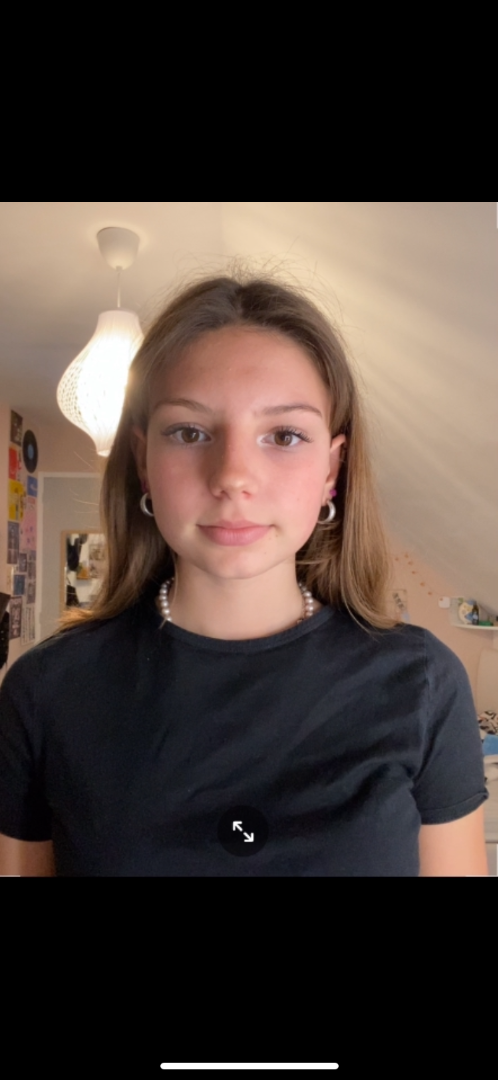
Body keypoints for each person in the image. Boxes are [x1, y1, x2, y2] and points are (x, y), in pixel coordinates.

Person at [0, 272, 489, 876]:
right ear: (143, 462)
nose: (232, 475)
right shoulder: (45, 692)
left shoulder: (423, 685)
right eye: (189, 432)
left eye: (284, 435)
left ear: (331, 470)